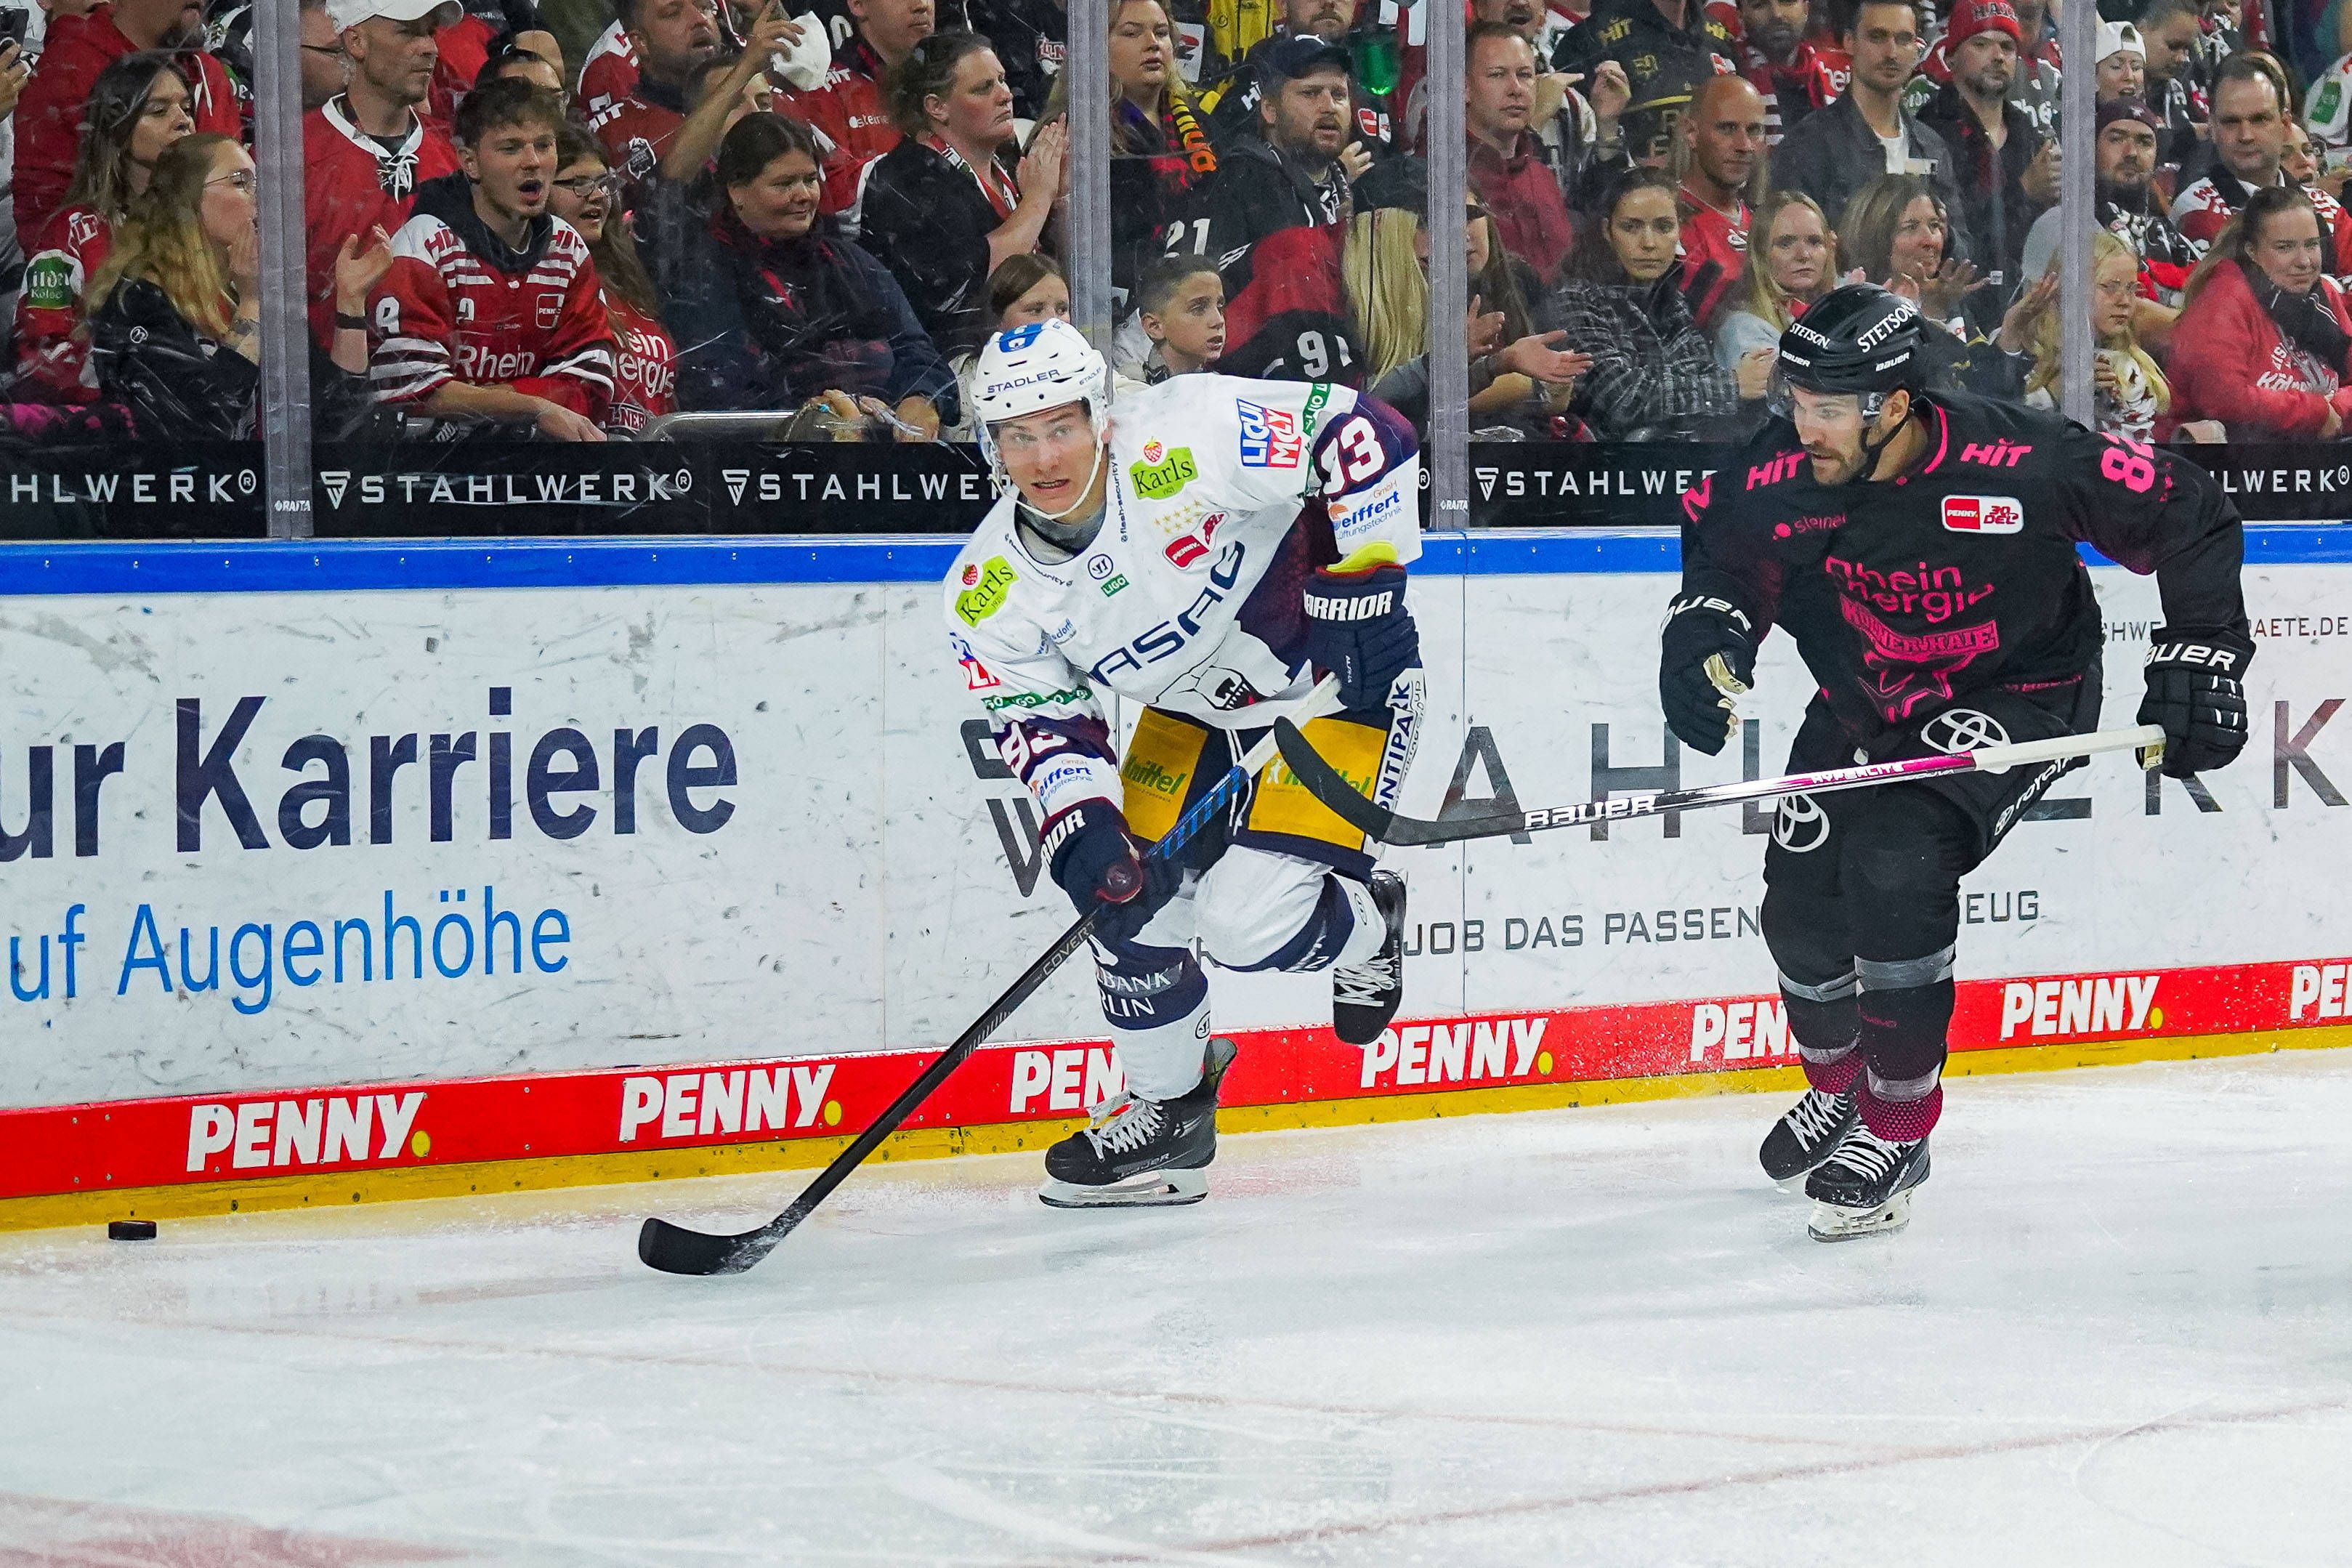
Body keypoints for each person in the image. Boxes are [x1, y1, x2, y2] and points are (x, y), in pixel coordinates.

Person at [1662, 281, 2251, 1241]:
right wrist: (1701, 637)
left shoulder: (2020, 455)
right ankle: (1844, 1091)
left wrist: (2200, 652)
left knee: (1896, 852)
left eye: (1824, 409)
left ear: (1893, 406)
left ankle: (1897, 1125)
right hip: (1866, 697)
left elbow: (2190, 513)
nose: (1800, 427)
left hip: (2017, 690)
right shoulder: (1781, 473)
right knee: (1799, 899)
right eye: (1794, 404)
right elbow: (1725, 559)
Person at [942, 317, 1422, 1208]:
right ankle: (1170, 1114)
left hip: (1336, 688)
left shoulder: (1183, 431)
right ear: (989, 444)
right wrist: (1086, 836)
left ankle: (1371, 923)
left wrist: (1366, 588)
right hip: (1194, 716)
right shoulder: (989, 589)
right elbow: (1045, 728)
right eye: (1018, 435)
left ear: (1100, 415)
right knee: (1128, 913)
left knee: (1246, 927)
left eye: (1061, 426)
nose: (1044, 456)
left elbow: (1368, 435)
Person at [653, 112, 955, 432]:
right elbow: (722, 390)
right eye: (783, 184)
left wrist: (921, 397)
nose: (804, 196)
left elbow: (917, 348)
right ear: (736, 191)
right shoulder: (705, 277)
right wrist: (822, 419)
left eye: (810, 180)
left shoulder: (852, 261)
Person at [369, 78, 615, 438]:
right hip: (429, 476)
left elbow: (590, 379)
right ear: (470, 162)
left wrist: (502, 400)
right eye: (511, 148)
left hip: (537, 474)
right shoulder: (423, 245)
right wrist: (535, 406)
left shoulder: (567, 246)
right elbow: (406, 385)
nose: (532, 162)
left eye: (544, 145)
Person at [1167, 33, 1362, 381]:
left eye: (1338, 94)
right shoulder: (1238, 182)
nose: (1329, 106)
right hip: (1248, 392)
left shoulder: (1348, 191)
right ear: (1269, 110)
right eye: (1310, 93)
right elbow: (1186, 298)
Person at [860, 30, 1065, 361]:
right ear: (937, 107)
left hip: (1034, 345)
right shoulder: (906, 177)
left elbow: (1058, 267)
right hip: (949, 367)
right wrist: (1038, 199)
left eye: (1002, 80)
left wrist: (1061, 198)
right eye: (984, 88)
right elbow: (970, 282)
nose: (1005, 95)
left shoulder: (1010, 165)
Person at [13, 52, 190, 401]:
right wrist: (140, 389)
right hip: (111, 438)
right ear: (118, 130)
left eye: (187, 107)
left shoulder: (214, 223)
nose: (183, 120)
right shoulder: (70, 233)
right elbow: (37, 361)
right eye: (159, 110)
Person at [1542, 166, 1766, 437]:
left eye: (1663, 227)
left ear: (1679, 231)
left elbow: (1698, 369)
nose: (1649, 243)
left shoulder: (1670, 296)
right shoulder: (1575, 301)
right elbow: (1622, 399)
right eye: (1631, 227)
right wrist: (1732, 386)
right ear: (1607, 231)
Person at [81, 135, 279, 440]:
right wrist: (252, 307)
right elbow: (200, 427)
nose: (260, 197)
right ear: (189, 198)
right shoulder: (139, 303)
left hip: (243, 482)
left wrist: (350, 305)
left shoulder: (238, 290)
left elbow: (322, 414)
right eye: (241, 183)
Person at [303, 0, 464, 352]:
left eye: (430, 32)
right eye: (408, 32)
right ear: (356, 40)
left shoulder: (456, 155)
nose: (430, 48)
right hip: (334, 394)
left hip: (446, 388)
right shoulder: (293, 157)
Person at [11, 0, 242, 243]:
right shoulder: (67, 71)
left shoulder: (209, 74)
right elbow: (46, 234)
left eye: (184, 107)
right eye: (159, 110)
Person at [1772, 0, 1969, 267]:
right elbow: (1786, 257)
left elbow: (1965, 253)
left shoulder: (1932, 146)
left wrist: (1947, 238)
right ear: (1849, 42)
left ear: (1917, 48)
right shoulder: (1808, 144)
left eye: (1903, 40)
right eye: (1878, 37)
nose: (1891, 53)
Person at [2166, 183, 2352, 438]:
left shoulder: (2323, 296)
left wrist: (2336, 410)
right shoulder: (2223, 297)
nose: (2305, 261)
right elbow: (2222, 399)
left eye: (2311, 245)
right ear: (2252, 251)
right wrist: (2315, 412)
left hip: (2314, 463)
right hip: (2231, 467)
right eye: (2285, 247)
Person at [1909, 0, 2053, 282]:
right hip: (1957, 297)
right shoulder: (1927, 132)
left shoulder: (2028, 134)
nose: (1998, 56)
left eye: (2008, 47)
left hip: (2024, 295)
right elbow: (1951, 235)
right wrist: (2024, 191)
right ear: (1950, 58)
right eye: (1981, 44)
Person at [2173, 54, 2352, 275]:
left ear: (2286, 124)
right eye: (2231, 122)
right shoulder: (2197, 208)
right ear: (2212, 127)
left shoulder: (2328, 209)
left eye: (2259, 120)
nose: (2246, 135)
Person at [548, 126, 675, 436]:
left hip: (651, 465)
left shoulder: (631, 277)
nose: (598, 195)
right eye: (579, 184)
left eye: (604, 183)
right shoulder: (541, 283)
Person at [2020, 97, 2197, 306]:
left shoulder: (2171, 235)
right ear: (2092, 150)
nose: (2131, 152)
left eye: (2144, 142)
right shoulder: (2067, 225)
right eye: (2116, 139)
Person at [2014, 232, 2189, 441]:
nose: (2125, 301)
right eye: (2111, 287)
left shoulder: (2131, 363)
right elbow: (2006, 429)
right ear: (2071, 289)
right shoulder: (2021, 352)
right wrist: (2057, 392)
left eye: (2132, 289)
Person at [777, 0, 933, 218]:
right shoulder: (820, 89)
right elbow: (832, 204)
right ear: (858, 5)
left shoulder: (955, 77)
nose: (923, 5)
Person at [1205, 0, 1401, 158]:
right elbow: (1224, 156)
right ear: (1282, 3)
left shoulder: (1374, 62)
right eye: (1310, 92)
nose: (1329, 3)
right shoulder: (1265, 70)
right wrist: (1334, 178)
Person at [1466, 22, 1577, 285]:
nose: (1516, 88)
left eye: (1525, 75)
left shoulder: (1542, 177)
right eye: (1497, 75)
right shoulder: (1442, 182)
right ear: (1464, 87)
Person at [1675, 73, 1767, 328]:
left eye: (1754, 130)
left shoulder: (1766, 221)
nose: (1744, 145)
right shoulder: (1666, 221)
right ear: (1691, 133)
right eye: (1727, 129)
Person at [1713, 186, 1833, 371]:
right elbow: (1792, 394)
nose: (1804, 254)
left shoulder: (1829, 310)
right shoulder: (1743, 328)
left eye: (1815, 242)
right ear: (1760, 254)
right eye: (1786, 243)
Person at [1736, 0, 1847, 142]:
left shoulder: (1838, 77)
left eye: (1787, 2)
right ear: (1741, 18)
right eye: (1760, 5)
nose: (1777, 14)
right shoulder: (1728, 73)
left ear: (1806, 8)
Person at [1125, 251, 1224, 381]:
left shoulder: (1225, 390)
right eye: (1198, 308)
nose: (1219, 321)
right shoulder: (1127, 388)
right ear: (1154, 326)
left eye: (1220, 307)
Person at [2093, 19, 2145, 104]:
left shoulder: (2151, 116)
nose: (2129, 76)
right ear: (2095, 74)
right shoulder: (2075, 114)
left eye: (2136, 68)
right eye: (2116, 67)